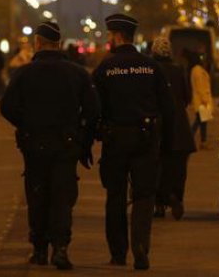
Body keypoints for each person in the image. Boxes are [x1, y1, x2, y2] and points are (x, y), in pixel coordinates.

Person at [0, 21, 99, 270]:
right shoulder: (76, 73)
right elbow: (93, 109)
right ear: (58, 43)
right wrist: (82, 139)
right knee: (62, 198)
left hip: (35, 144)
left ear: (38, 43)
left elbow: (7, 107)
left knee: (37, 195)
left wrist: (25, 123)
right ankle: (61, 247)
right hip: (66, 144)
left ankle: (40, 248)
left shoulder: (24, 73)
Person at [92, 14, 174, 271]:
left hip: (116, 139)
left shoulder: (105, 68)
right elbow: (168, 107)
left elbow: (95, 107)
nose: (108, 40)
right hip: (146, 139)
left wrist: (94, 135)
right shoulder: (151, 67)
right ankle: (140, 245)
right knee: (144, 195)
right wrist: (166, 142)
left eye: (109, 36)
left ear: (117, 37)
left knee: (115, 195)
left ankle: (118, 252)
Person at [150, 36, 195, 220]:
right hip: (180, 128)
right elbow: (186, 98)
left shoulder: (151, 70)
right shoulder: (179, 71)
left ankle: (159, 202)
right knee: (178, 168)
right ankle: (175, 195)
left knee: (156, 165)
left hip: (158, 126)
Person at [188, 51, 213, 150]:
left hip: (201, 100)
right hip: (201, 101)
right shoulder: (197, 70)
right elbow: (200, 86)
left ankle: (203, 142)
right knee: (199, 122)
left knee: (202, 122)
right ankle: (191, 139)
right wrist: (204, 99)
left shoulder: (195, 70)